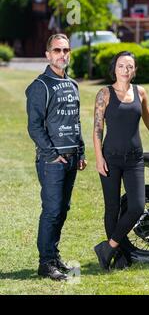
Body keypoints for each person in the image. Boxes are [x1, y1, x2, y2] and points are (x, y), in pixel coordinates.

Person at [93, 51, 149, 271]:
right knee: (112, 208)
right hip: (110, 158)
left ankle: (107, 248)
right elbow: (97, 129)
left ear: (134, 70)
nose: (125, 70)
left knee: (137, 206)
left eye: (129, 66)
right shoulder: (104, 94)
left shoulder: (140, 92)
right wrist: (99, 158)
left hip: (134, 159)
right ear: (115, 68)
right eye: (121, 66)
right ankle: (117, 256)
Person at [26, 34, 87, 281]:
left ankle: (53, 255)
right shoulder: (40, 86)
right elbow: (34, 126)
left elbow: (75, 120)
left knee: (63, 209)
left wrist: (80, 152)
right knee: (51, 210)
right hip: (52, 161)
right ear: (48, 55)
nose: (62, 54)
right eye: (57, 50)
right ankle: (45, 263)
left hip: (72, 158)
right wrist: (52, 155)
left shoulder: (72, 84)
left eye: (66, 50)